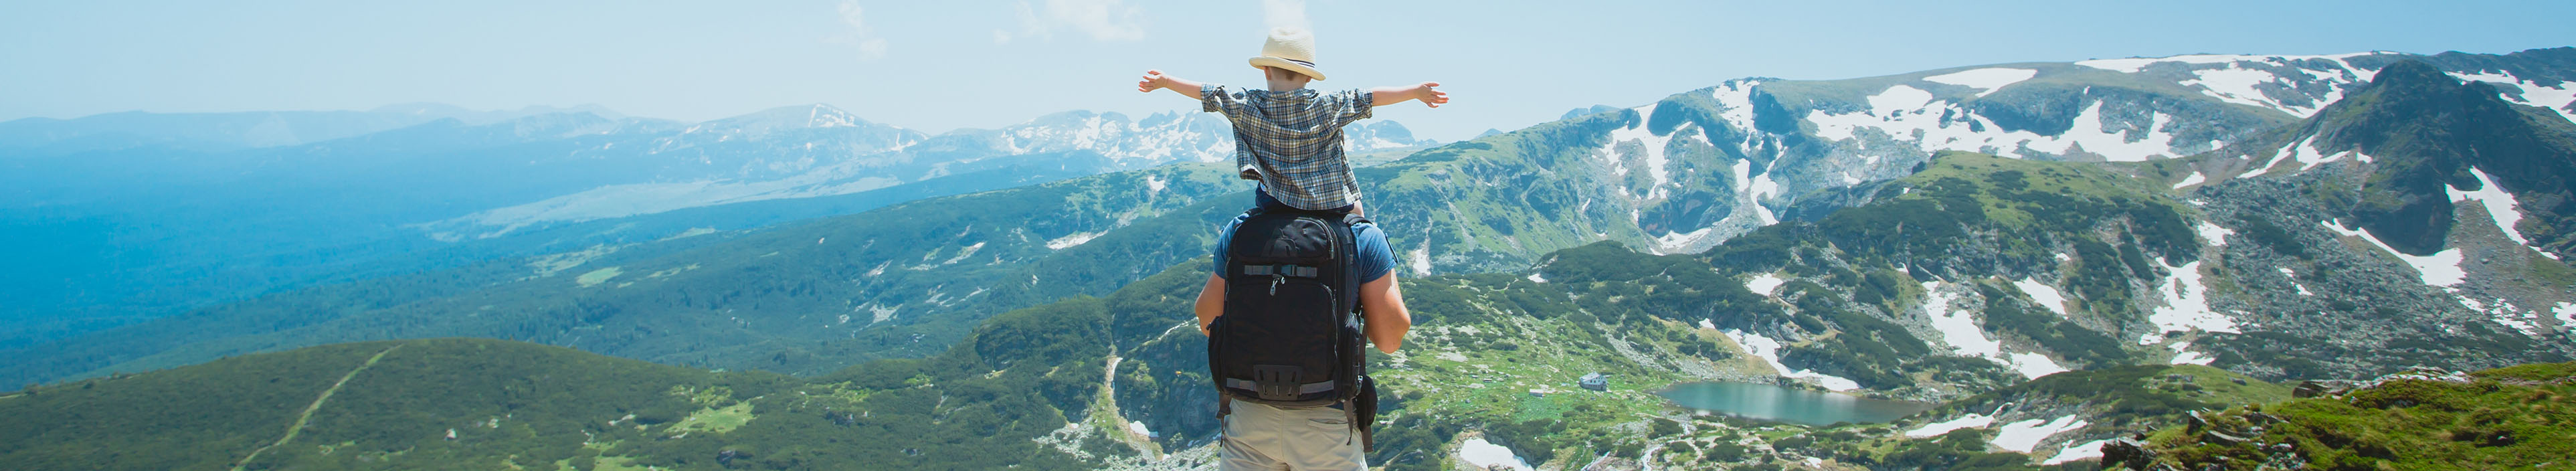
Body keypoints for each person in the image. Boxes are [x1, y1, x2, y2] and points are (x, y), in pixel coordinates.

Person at [1139, 27, 1435, 470]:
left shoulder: (1241, 230)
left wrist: (1164, 81)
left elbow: (1206, 318)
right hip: (1326, 424)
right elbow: (1391, 339)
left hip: (1249, 422)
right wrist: (1416, 92)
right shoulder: (1358, 234)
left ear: (1267, 70)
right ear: (1308, 75)